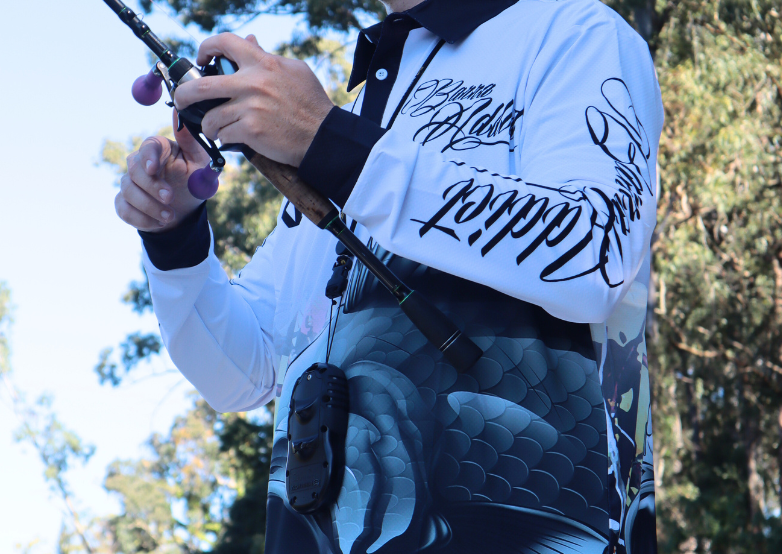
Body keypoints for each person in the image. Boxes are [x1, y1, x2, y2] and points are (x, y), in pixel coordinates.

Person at [115, 0, 664, 552]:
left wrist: (328, 143)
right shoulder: (354, 115)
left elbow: (594, 254)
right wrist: (175, 237)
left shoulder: (576, 32)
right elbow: (245, 370)